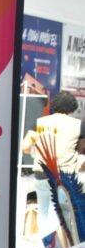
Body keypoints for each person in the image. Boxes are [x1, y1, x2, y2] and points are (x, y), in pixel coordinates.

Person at [23, 91, 85, 235]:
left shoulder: (40, 123)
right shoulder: (78, 126)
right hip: (65, 176)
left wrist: (34, 152)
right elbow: (81, 148)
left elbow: (25, 146)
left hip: (42, 173)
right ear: (72, 107)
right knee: (63, 213)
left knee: (44, 212)